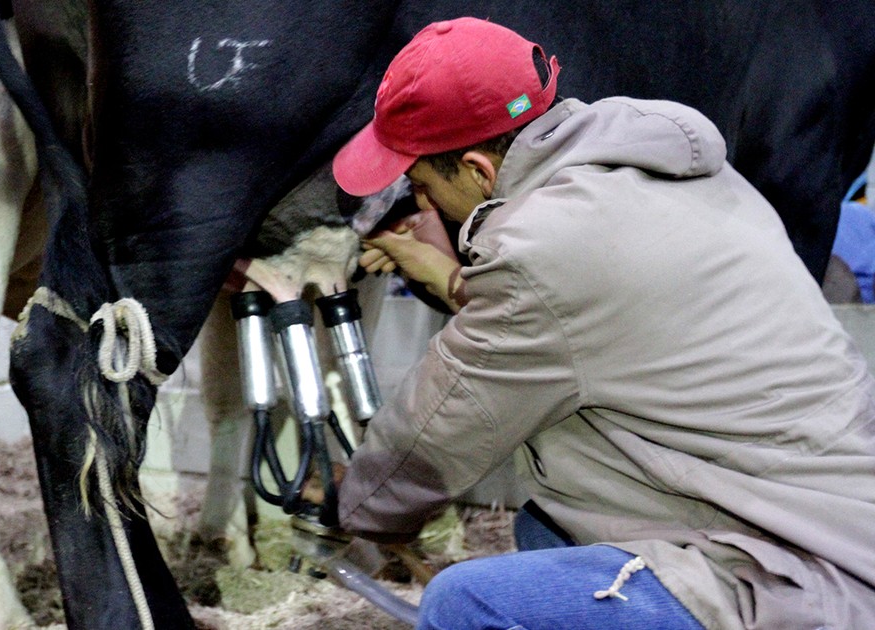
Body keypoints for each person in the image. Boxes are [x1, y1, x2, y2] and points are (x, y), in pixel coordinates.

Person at [330, 17, 875, 630]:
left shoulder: (547, 248)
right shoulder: (663, 174)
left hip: (803, 576)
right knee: (548, 526)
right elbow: (577, 325)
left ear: (480, 171)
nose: (425, 203)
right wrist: (450, 273)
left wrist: (354, 507)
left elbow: (443, 425)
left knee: (466, 603)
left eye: (423, 184)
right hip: (825, 516)